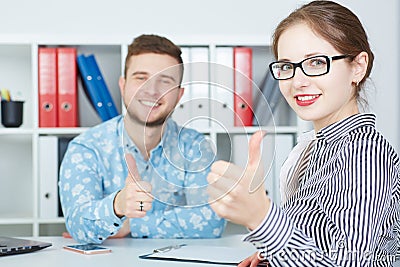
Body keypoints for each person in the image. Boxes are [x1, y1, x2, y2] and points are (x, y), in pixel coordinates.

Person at [207, 1, 400, 266]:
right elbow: (320, 246)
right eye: (287, 66)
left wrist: (262, 218)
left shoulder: (364, 153)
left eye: (317, 62)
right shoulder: (313, 148)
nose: (297, 81)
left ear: (358, 66)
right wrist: (272, 253)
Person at [59, 34, 225, 244]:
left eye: (165, 81)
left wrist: (131, 225)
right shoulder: (86, 148)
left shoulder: (196, 147)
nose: (152, 90)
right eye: (141, 77)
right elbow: (78, 225)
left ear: (179, 95)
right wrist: (117, 205)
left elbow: (212, 221)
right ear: (123, 85)